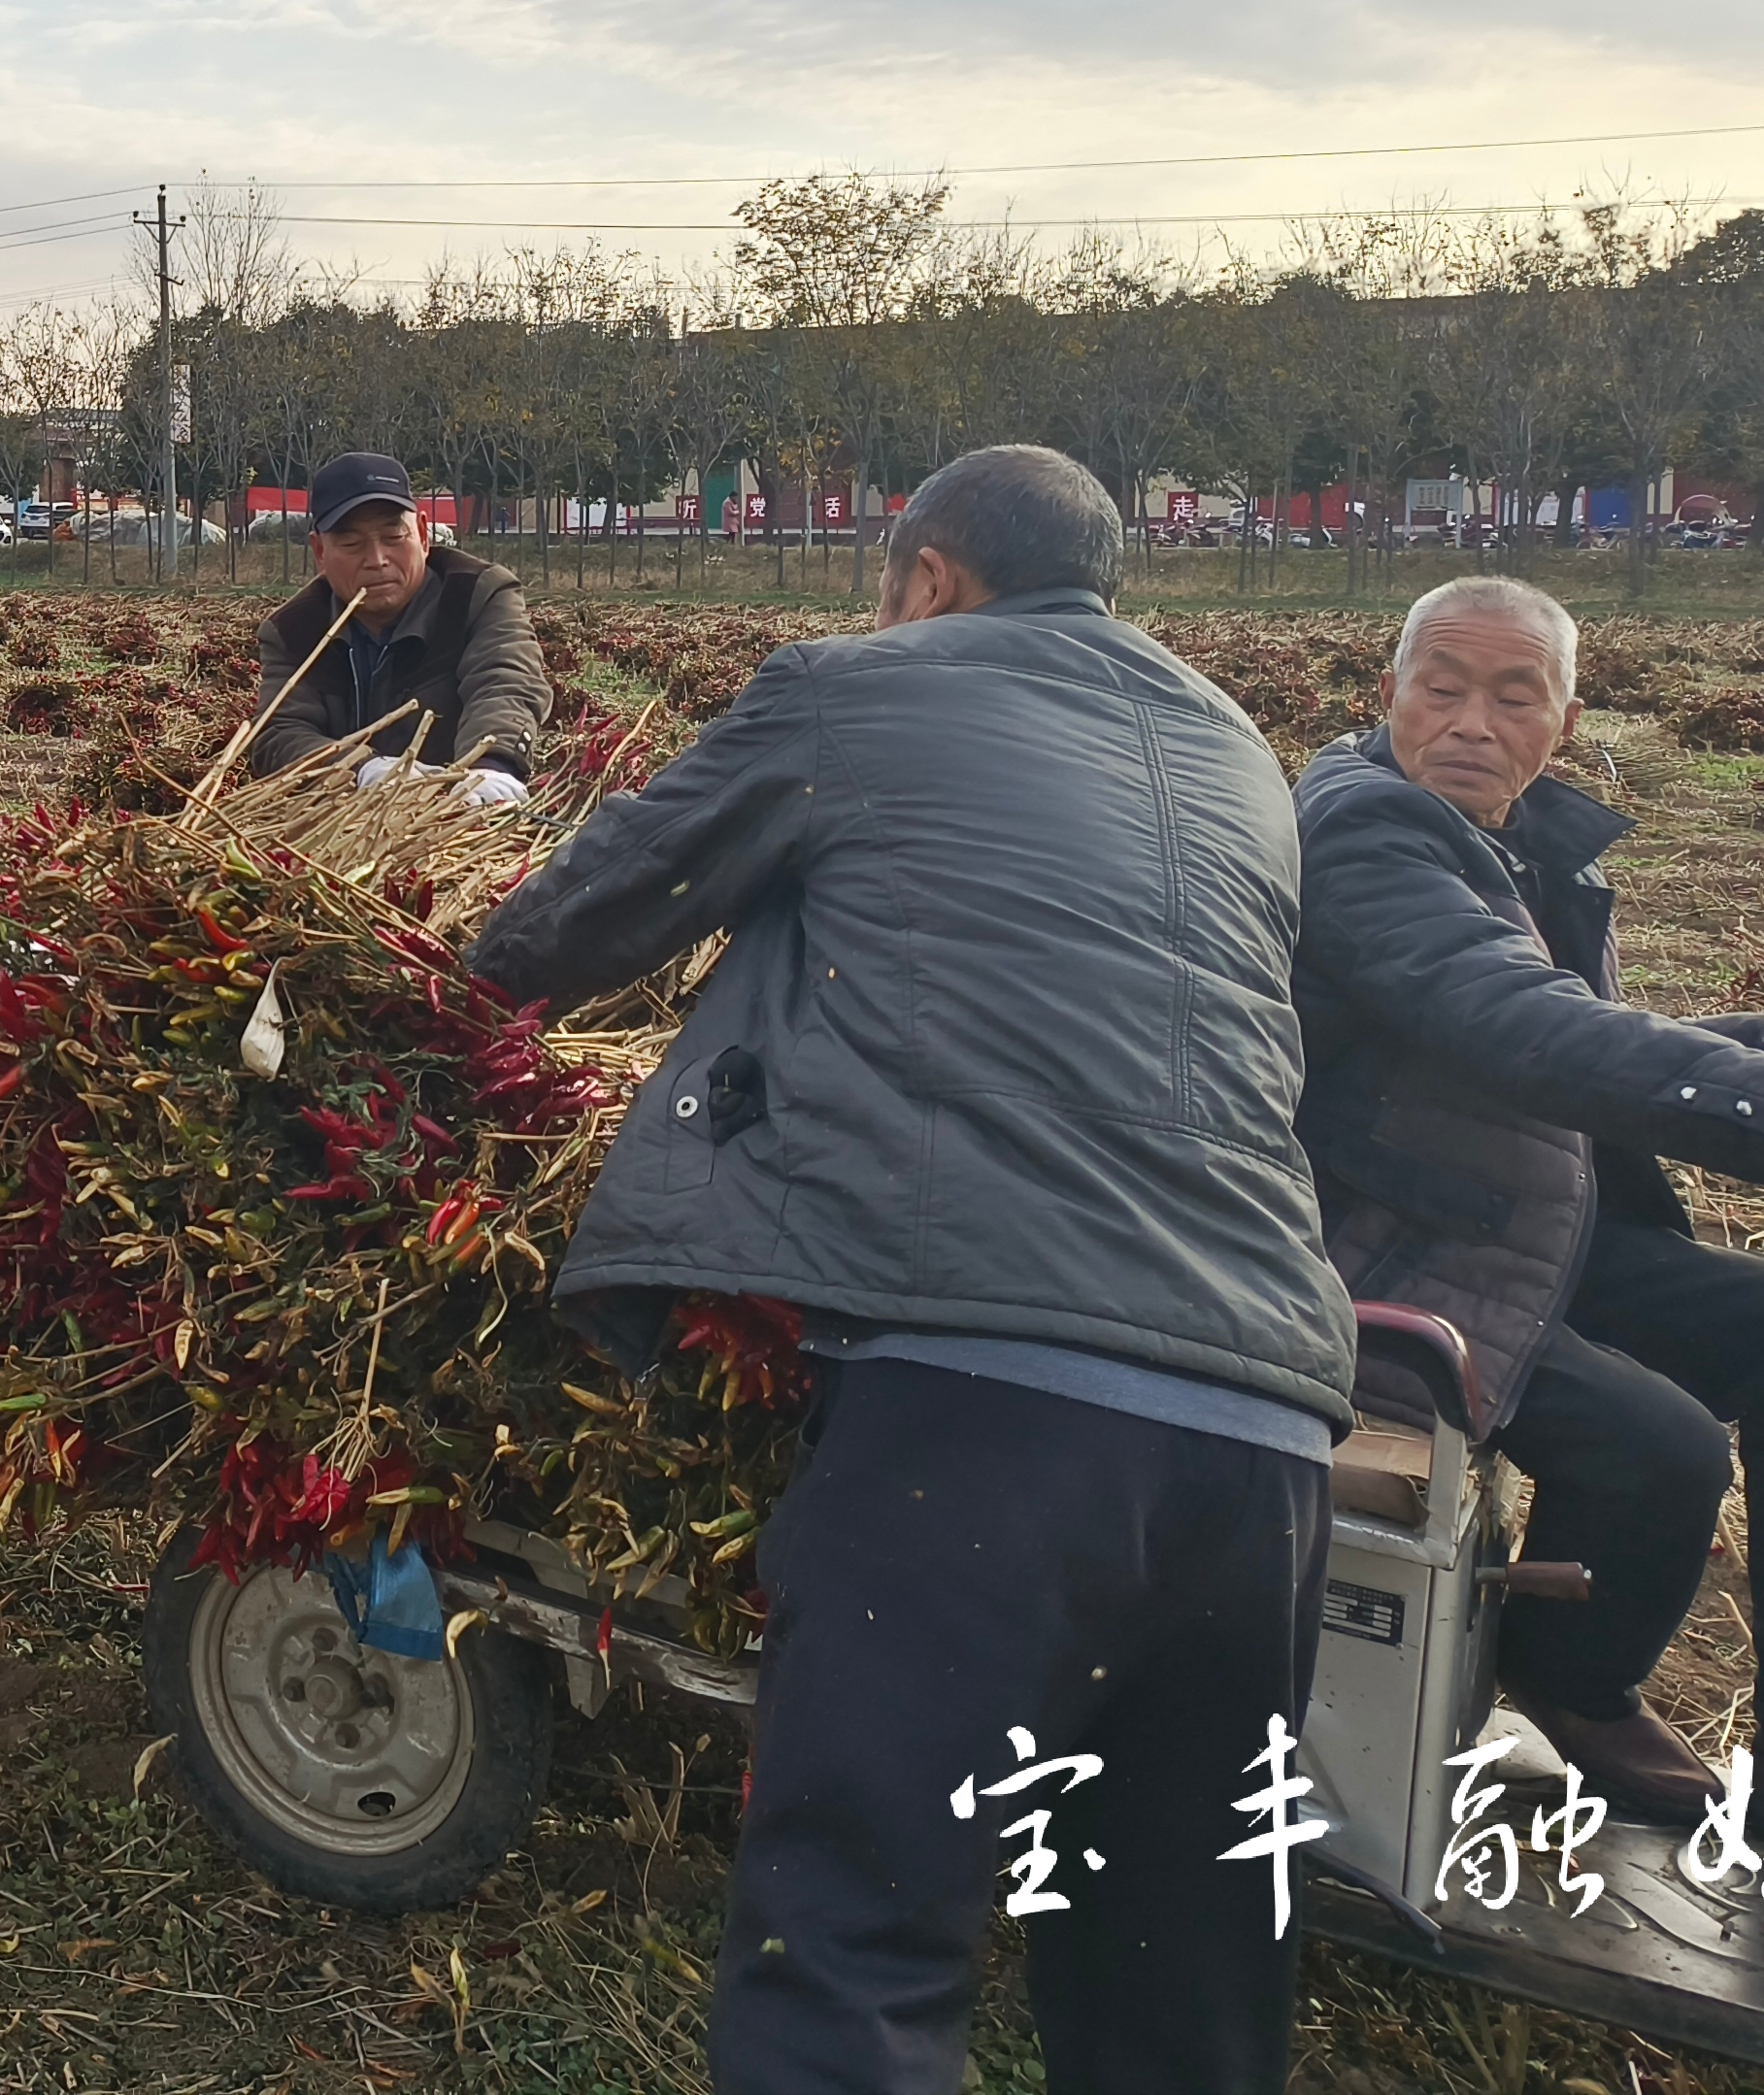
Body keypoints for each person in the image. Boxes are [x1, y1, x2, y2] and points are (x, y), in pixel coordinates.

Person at [470, 444, 1353, 2095]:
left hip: (989, 1411)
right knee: (1178, 1973)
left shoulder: (849, 689)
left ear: (928, 577)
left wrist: (450, 981)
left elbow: (590, 914)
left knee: (861, 1940)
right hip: (1269, 1434)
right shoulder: (1239, 748)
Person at [1289, 576, 1764, 1823]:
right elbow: (1516, 1022)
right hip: (1373, 1242)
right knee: (1659, 1444)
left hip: (1511, 1217)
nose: (1470, 722)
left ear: (1561, 722)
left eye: (1512, 696)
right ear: (1386, 696)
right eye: (1440, 688)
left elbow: (1602, 1028)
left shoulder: (1515, 839)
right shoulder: (1360, 832)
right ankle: (1572, 1682)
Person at [244, 451, 550, 798]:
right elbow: (279, 732)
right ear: (319, 552)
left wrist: (492, 766)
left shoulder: (476, 596)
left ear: (422, 533)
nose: (376, 560)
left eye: (393, 537)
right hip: (338, 822)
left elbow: (505, 682)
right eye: (351, 543)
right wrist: (361, 769)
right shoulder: (294, 630)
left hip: (458, 807)